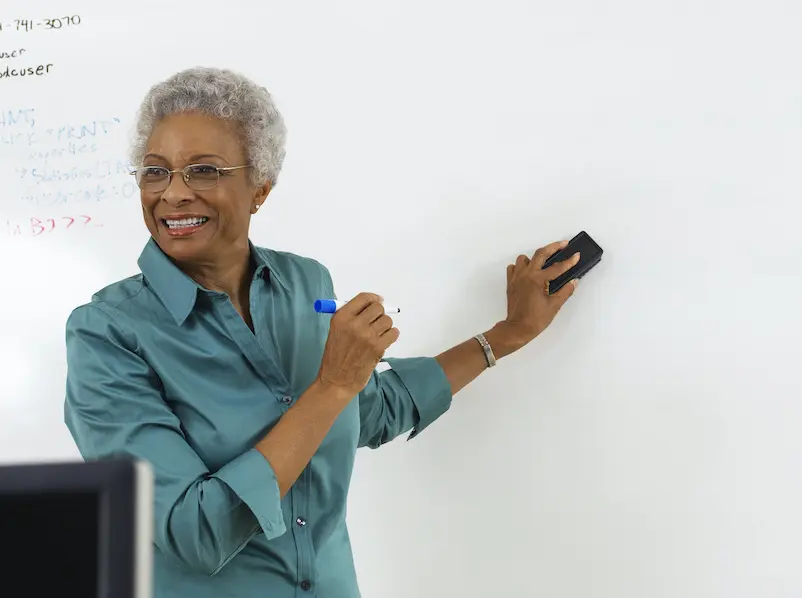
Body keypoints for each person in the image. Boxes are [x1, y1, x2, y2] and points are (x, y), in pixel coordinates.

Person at [63, 66, 581, 598]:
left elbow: (368, 408)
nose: (173, 194)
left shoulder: (305, 283)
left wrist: (510, 332)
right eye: (155, 171)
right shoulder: (106, 333)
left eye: (203, 171)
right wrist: (332, 383)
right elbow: (193, 532)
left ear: (259, 187)